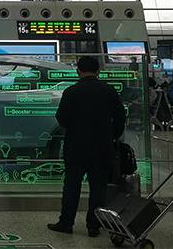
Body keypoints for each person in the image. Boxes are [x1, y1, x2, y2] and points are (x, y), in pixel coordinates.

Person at [48, 56, 126, 237]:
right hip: (102, 148)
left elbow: (62, 119)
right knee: (98, 188)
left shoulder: (71, 92)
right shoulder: (109, 91)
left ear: (78, 71)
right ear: (98, 71)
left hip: (76, 148)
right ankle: (94, 226)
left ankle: (66, 223)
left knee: (71, 186)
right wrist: (111, 136)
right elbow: (120, 118)